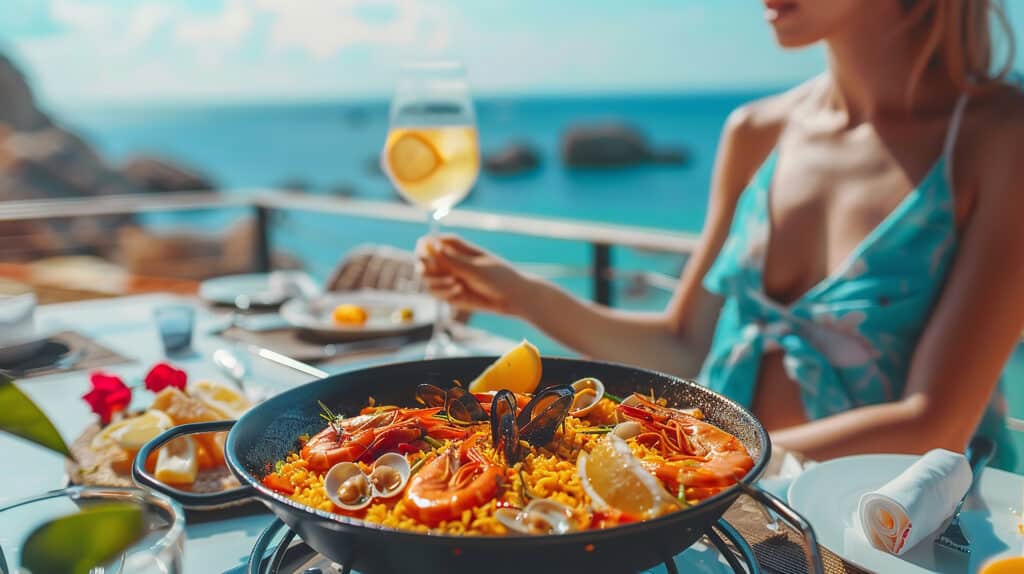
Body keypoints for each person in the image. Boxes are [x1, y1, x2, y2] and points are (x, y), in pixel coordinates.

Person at [418, 0, 1024, 466]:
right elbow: (684, 345)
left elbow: (934, 425)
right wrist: (521, 296)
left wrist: (704, 460)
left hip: (895, 538)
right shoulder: (756, 133)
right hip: (736, 514)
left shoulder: (998, 138)